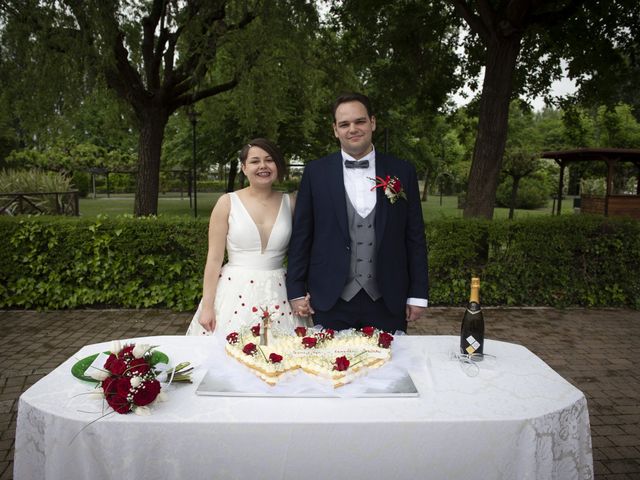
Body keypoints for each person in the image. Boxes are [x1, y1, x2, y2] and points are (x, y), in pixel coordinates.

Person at [286, 93, 428, 333]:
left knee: (389, 367)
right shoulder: (315, 172)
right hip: (331, 298)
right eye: (344, 124)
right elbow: (302, 235)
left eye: (359, 121)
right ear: (335, 130)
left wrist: (418, 294)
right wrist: (297, 289)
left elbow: (414, 236)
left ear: (372, 122)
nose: (352, 129)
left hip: (388, 299)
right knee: (330, 368)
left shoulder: (402, 171)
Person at [187, 138, 310, 337]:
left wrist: (303, 292)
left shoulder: (292, 203)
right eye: (255, 161)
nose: (263, 166)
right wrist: (207, 306)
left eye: (269, 160)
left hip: (279, 292)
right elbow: (214, 258)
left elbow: (304, 252)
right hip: (233, 290)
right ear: (244, 168)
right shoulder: (227, 203)